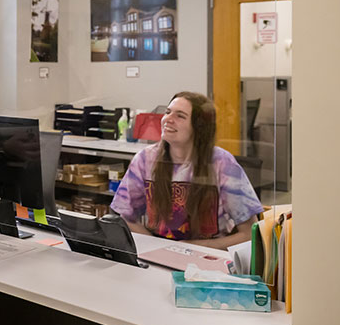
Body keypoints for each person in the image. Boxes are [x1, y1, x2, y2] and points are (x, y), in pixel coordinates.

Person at [110, 91, 262, 250]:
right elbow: (126, 218)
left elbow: (249, 233)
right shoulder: (145, 159)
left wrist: (190, 248)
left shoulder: (222, 163)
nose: (168, 119)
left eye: (180, 116)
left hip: (208, 256)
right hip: (158, 254)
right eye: (168, 112)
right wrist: (161, 249)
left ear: (199, 127)